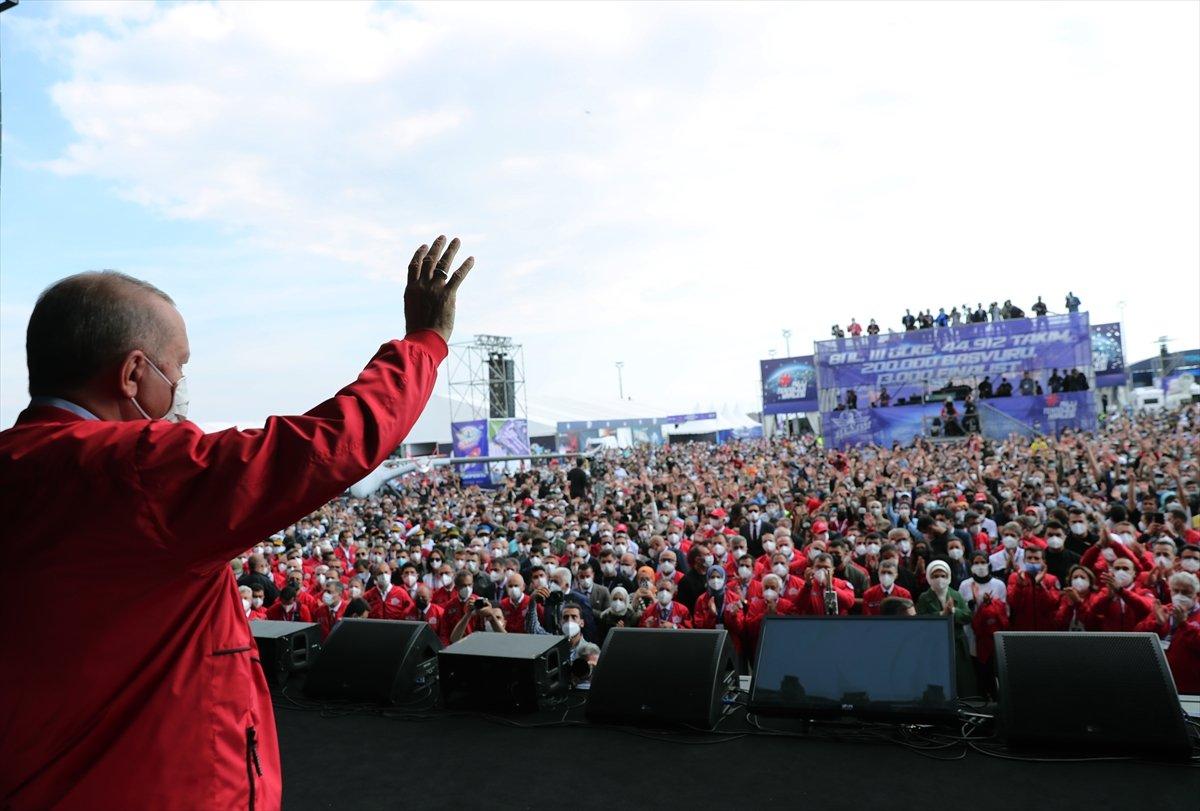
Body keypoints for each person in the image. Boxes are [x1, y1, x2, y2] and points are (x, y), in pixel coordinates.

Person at [0, 235, 474, 809]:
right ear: (132, 375)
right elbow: (329, 446)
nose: (181, 389)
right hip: (158, 783)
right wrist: (424, 342)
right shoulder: (137, 472)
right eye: (178, 368)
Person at [1136, 572, 1200, 693]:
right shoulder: (1164, 610)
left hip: (1192, 686)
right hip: (1160, 680)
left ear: (1196, 595)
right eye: (1176, 591)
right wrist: (1157, 624)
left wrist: (1184, 624)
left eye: (1186, 592)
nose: (1180, 595)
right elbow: (1138, 634)